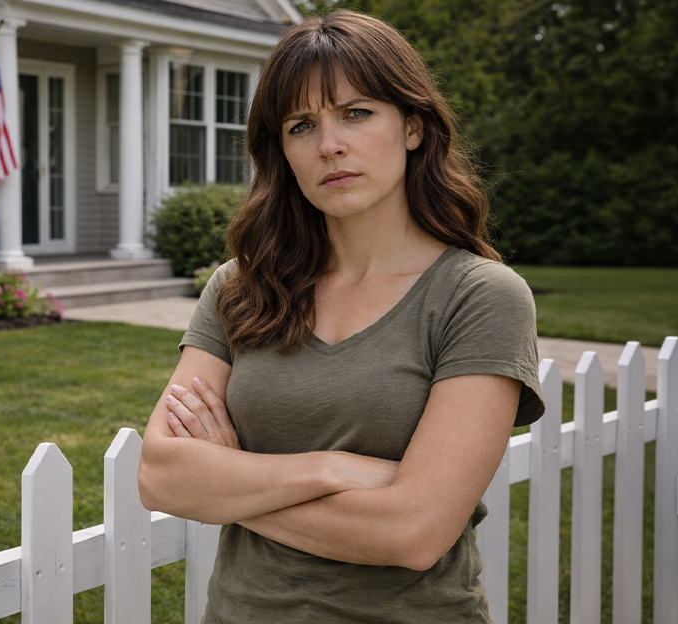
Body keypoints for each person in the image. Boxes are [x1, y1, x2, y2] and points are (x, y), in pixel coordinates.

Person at [136, 9, 545, 623]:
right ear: (283, 151)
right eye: (302, 125)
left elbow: (413, 532)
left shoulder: (479, 297)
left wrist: (227, 488)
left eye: (356, 113)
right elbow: (160, 477)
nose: (330, 145)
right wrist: (334, 469)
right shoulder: (240, 289)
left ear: (412, 126)